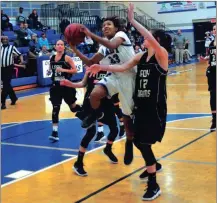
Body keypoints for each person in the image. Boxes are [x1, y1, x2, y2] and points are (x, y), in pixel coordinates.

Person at [87, 3, 171, 200]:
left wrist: (132, 20)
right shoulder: (141, 56)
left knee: (143, 143)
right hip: (140, 106)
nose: (144, 37)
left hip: (155, 109)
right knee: (138, 141)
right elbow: (123, 66)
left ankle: (153, 184)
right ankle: (154, 167)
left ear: (155, 40)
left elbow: (151, 39)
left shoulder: (161, 56)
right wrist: (100, 67)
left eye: (149, 36)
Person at [69, 16, 136, 165]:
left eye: (109, 24)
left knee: (127, 118)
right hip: (113, 75)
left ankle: (129, 142)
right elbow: (91, 62)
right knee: (94, 94)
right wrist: (74, 50)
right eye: (103, 25)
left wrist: (89, 34)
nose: (105, 27)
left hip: (129, 77)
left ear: (116, 28)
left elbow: (112, 46)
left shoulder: (121, 36)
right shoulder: (103, 47)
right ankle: (96, 114)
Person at [60, 70, 119, 176]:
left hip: (106, 104)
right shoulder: (92, 68)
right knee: (90, 133)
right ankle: (78, 163)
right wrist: (70, 84)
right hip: (90, 103)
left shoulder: (111, 68)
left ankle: (108, 149)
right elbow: (82, 83)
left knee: (115, 129)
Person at [48, 40, 81, 141]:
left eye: (61, 45)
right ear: (55, 47)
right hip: (56, 87)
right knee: (55, 108)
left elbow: (75, 70)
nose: (59, 46)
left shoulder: (67, 58)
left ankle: (85, 112)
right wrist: (50, 70)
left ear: (63, 47)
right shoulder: (52, 58)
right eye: (58, 44)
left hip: (67, 86)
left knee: (73, 108)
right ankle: (55, 132)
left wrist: (64, 70)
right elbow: (51, 68)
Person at [1, 36, 23, 109]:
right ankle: (13, 98)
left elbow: (19, 54)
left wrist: (21, 61)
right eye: (3, 39)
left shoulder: (12, 47)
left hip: (8, 68)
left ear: (8, 40)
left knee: (5, 85)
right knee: (7, 85)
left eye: (6, 39)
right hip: (1, 69)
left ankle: (3, 103)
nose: (5, 40)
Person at [201, 25, 216, 132]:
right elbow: (210, 57)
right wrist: (205, 58)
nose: (214, 31)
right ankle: (214, 119)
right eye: (214, 29)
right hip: (212, 71)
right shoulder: (211, 43)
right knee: (213, 95)